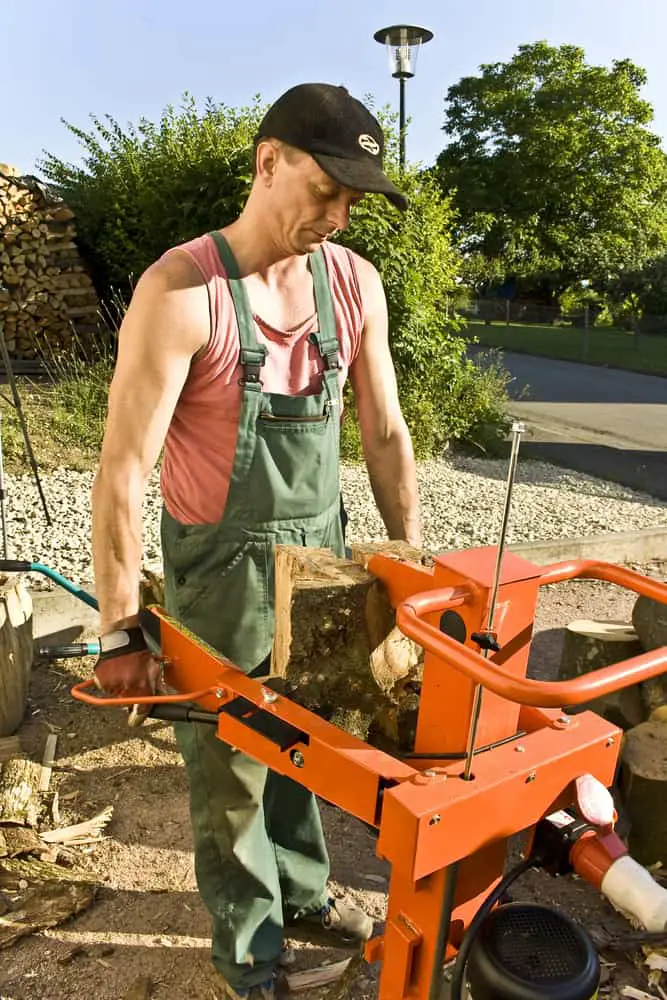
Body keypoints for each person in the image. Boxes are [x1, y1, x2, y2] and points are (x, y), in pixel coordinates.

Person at [91, 82, 422, 999]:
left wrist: (412, 563)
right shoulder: (182, 290)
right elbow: (122, 470)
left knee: (309, 740)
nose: (338, 212)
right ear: (267, 161)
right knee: (231, 769)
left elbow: (386, 432)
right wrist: (120, 626)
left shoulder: (354, 284)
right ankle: (251, 955)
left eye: (353, 197)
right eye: (326, 187)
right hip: (220, 570)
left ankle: (306, 894)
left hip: (322, 555)